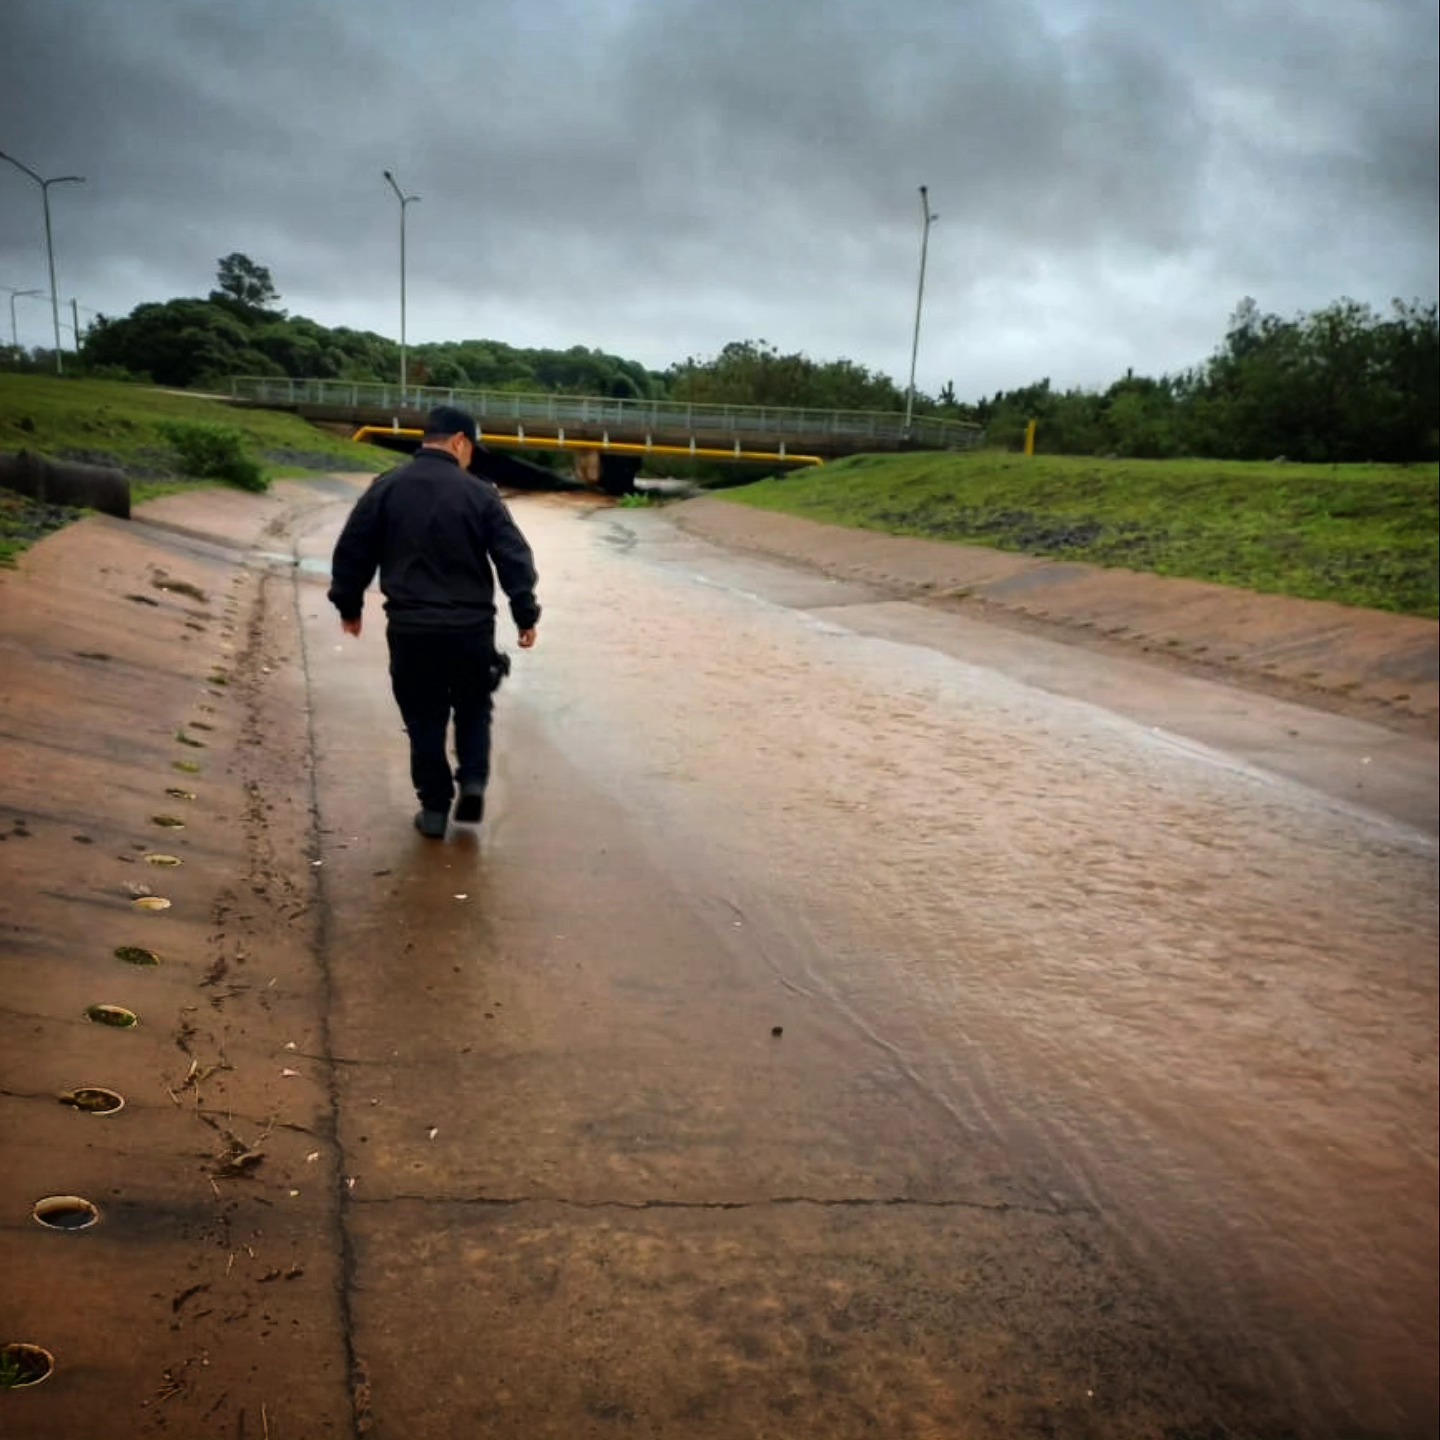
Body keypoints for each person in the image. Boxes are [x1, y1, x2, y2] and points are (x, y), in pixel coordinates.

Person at [327, 406, 540, 838]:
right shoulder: (480, 494)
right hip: (470, 629)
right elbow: (513, 556)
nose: (471, 458)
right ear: (459, 441)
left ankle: (435, 809)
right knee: (474, 706)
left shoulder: (386, 487)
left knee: (424, 716)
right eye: (471, 449)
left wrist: (349, 606)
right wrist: (525, 613)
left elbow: (354, 549)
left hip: (411, 627)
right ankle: (473, 781)